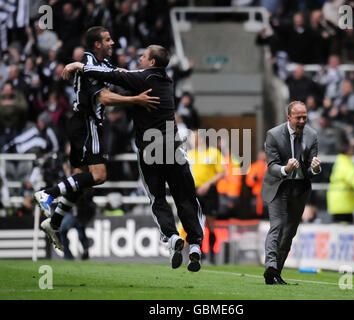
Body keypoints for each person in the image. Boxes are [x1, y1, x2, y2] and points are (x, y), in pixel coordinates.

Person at [63, 44, 205, 272]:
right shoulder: (165, 80)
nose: (139, 57)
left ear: (151, 62)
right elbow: (124, 72)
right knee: (186, 197)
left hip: (149, 149)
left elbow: (113, 74)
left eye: (143, 55)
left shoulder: (143, 78)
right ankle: (196, 245)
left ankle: (171, 236)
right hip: (172, 147)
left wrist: (81, 65)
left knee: (157, 197)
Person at [34, 26, 159, 252]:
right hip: (87, 124)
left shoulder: (98, 64)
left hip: (81, 124)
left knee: (80, 181)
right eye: (108, 40)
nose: (113, 43)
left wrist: (143, 75)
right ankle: (48, 194)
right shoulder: (89, 65)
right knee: (99, 176)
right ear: (97, 45)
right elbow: (105, 97)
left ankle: (53, 223)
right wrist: (136, 99)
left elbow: (119, 73)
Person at [261, 101, 322, 285]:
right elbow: (271, 167)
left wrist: (316, 168)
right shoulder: (273, 135)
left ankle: (275, 272)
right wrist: (286, 169)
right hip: (279, 186)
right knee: (277, 225)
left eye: (305, 117)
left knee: (289, 233)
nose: (302, 120)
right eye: (298, 117)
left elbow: (311, 169)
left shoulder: (312, 136)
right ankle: (270, 264)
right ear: (289, 118)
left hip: (299, 189)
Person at [187, 130, 225, 264]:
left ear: (201, 139)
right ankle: (200, 253)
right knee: (196, 222)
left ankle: (212, 255)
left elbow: (222, 172)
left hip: (209, 191)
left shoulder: (214, 153)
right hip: (194, 190)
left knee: (210, 223)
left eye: (193, 138)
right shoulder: (190, 154)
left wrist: (208, 184)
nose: (191, 140)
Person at [326, 143, 354, 224]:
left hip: (341, 201)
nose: (353, 151)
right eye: (352, 149)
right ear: (347, 151)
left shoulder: (342, 162)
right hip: (343, 202)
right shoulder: (345, 164)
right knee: (344, 229)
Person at [245, 150, 268, 218]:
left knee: (266, 212)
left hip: (267, 194)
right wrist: (255, 178)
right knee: (255, 213)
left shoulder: (269, 166)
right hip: (256, 193)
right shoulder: (253, 166)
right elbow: (249, 181)